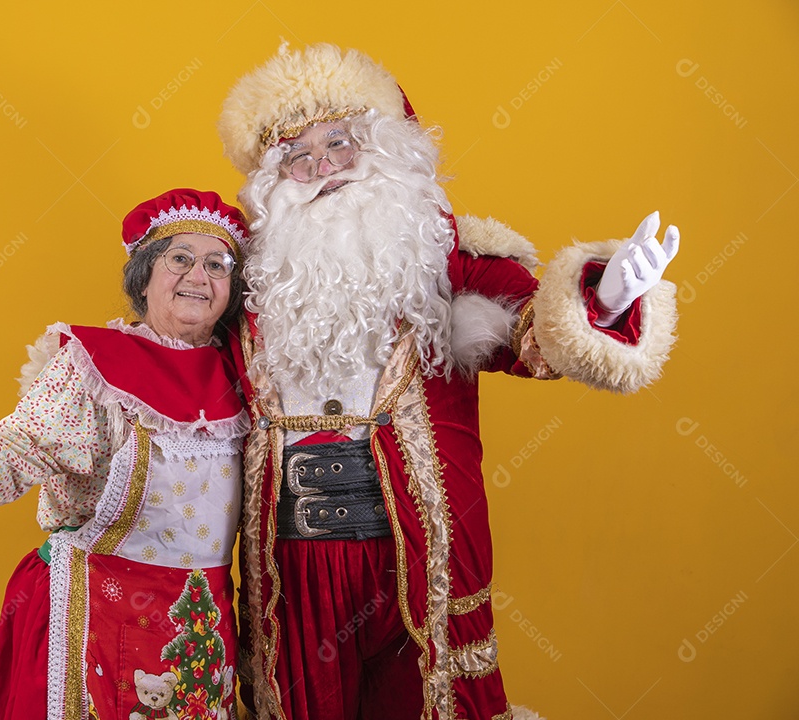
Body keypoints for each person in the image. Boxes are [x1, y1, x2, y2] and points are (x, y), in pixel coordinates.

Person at [217, 44, 680, 720]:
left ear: (383, 147)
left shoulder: (450, 259)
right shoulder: (246, 284)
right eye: (298, 155)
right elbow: (179, 373)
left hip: (420, 547)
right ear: (274, 181)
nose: (321, 169)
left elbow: (536, 336)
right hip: (291, 562)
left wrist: (604, 301)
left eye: (339, 142)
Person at [0, 189, 250, 720]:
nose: (198, 276)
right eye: (180, 258)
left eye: (217, 264)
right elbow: (9, 458)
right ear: (145, 275)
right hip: (90, 622)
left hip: (198, 630)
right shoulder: (94, 369)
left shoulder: (246, 377)